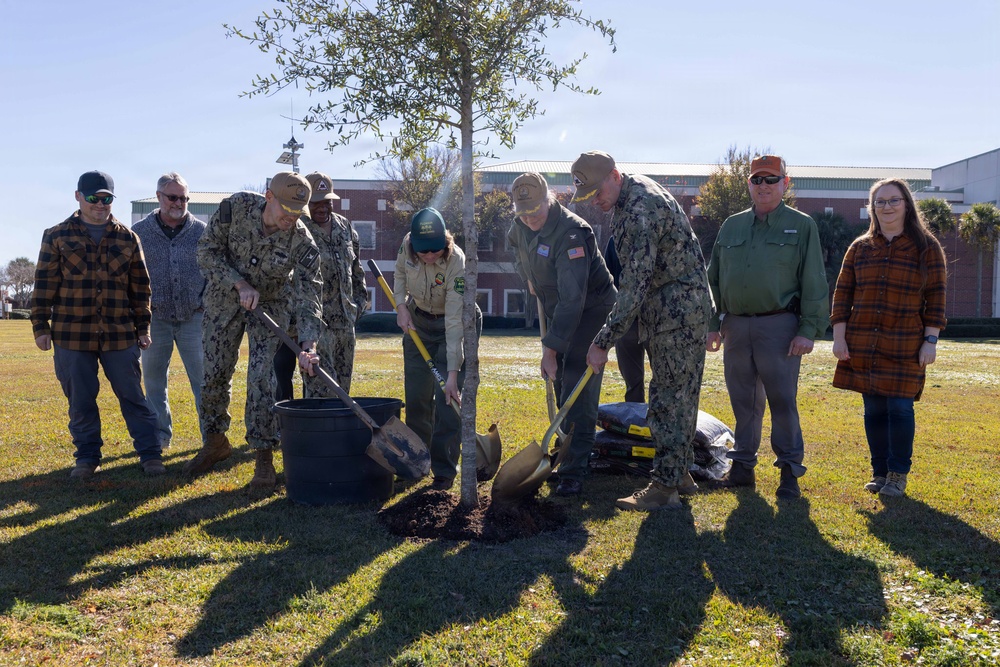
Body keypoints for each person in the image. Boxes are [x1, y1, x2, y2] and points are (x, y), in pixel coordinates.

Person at [576, 151, 714, 511]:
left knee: (668, 399)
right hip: (676, 312)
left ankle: (664, 489)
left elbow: (634, 284)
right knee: (680, 396)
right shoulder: (632, 194)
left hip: (676, 314)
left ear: (614, 175)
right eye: (588, 196)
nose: (594, 201)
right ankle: (679, 473)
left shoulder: (639, 209)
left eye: (596, 192)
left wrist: (602, 341)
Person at [183, 172, 323, 491]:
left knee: (262, 377)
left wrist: (309, 344)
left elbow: (310, 295)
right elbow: (207, 251)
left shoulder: (302, 241)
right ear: (269, 196)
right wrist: (239, 283)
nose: (292, 217)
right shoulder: (236, 208)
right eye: (287, 208)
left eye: (298, 211)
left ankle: (263, 456)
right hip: (224, 297)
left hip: (271, 304)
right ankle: (215, 442)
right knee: (214, 373)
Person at [705, 155, 829, 499]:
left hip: (780, 326)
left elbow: (814, 279)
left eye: (771, 179)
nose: (763, 186)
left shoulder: (801, 225)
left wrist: (808, 329)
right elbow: (713, 279)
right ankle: (742, 468)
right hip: (735, 327)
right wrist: (712, 324)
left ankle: (789, 472)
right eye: (757, 179)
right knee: (743, 402)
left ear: (785, 183)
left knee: (782, 401)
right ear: (748, 184)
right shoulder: (731, 225)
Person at [30, 170, 164, 479]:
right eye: (93, 198)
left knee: (134, 397)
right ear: (78, 196)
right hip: (71, 335)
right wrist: (40, 326)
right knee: (81, 401)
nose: (100, 205)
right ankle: (87, 458)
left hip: (120, 334)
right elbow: (44, 284)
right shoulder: (56, 235)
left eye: (106, 199)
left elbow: (140, 288)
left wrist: (143, 328)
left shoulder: (128, 238)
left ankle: (150, 454)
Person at [831, 178, 946, 498]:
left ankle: (897, 474)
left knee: (900, 409)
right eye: (879, 201)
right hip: (864, 342)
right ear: (872, 208)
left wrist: (931, 340)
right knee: (874, 412)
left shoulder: (927, 247)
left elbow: (936, 297)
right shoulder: (860, 247)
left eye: (894, 200)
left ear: (907, 205)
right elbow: (842, 294)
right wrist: (839, 338)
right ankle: (879, 472)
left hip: (905, 343)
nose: (887, 206)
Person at [507, 172, 616, 496]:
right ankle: (566, 447)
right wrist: (528, 276)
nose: (530, 219)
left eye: (535, 211)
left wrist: (550, 350)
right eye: (523, 213)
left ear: (549, 199)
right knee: (559, 383)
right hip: (559, 308)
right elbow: (515, 247)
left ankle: (574, 470)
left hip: (591, 309)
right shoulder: (519, 226)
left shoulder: (571, 233)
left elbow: (574, 298)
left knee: (576, 385)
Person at [392, 208, 480, 491]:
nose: (429, 256)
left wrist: (452, 375)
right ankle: (417, 461)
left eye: (435, 250)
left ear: (445, 242)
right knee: (416, 395)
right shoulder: (407, 245)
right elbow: (399, 275)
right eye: (423, 252)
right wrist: (401, 307)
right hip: (418, 322)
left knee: (447, 401)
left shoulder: (457, 262)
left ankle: (444, 469)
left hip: (453, 324)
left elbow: (455, 321)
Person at [273, 172, 367, 400]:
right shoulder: (296, 229)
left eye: (327, 202)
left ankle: (337, 424)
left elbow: (356, 269)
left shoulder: (344, 227)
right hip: (315, 325)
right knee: (322, 389)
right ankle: (318, 425)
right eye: (316, 202)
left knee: (343, 390)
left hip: (345, 324)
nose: (323, 207)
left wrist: (359, 303)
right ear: (306, 202)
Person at [132, 172, 206, 450]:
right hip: (154, 320)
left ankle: (211, 438)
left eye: (184, 198)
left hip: (195, 318)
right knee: (153, 383)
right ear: (159, 197)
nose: (179, 203)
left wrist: (205, 301)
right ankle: (160, 435)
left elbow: (215, 270)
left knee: (204, 381)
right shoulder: (138, 233)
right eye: (173, 197)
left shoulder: (202, 232)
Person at [604, 235, 646, 403]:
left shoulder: (658, 233)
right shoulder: (615, 240)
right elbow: (608, 279)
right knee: (632, 381)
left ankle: (660, 419)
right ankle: (635, 415)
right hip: (626, 321)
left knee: (664, 380)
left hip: (656, 320)